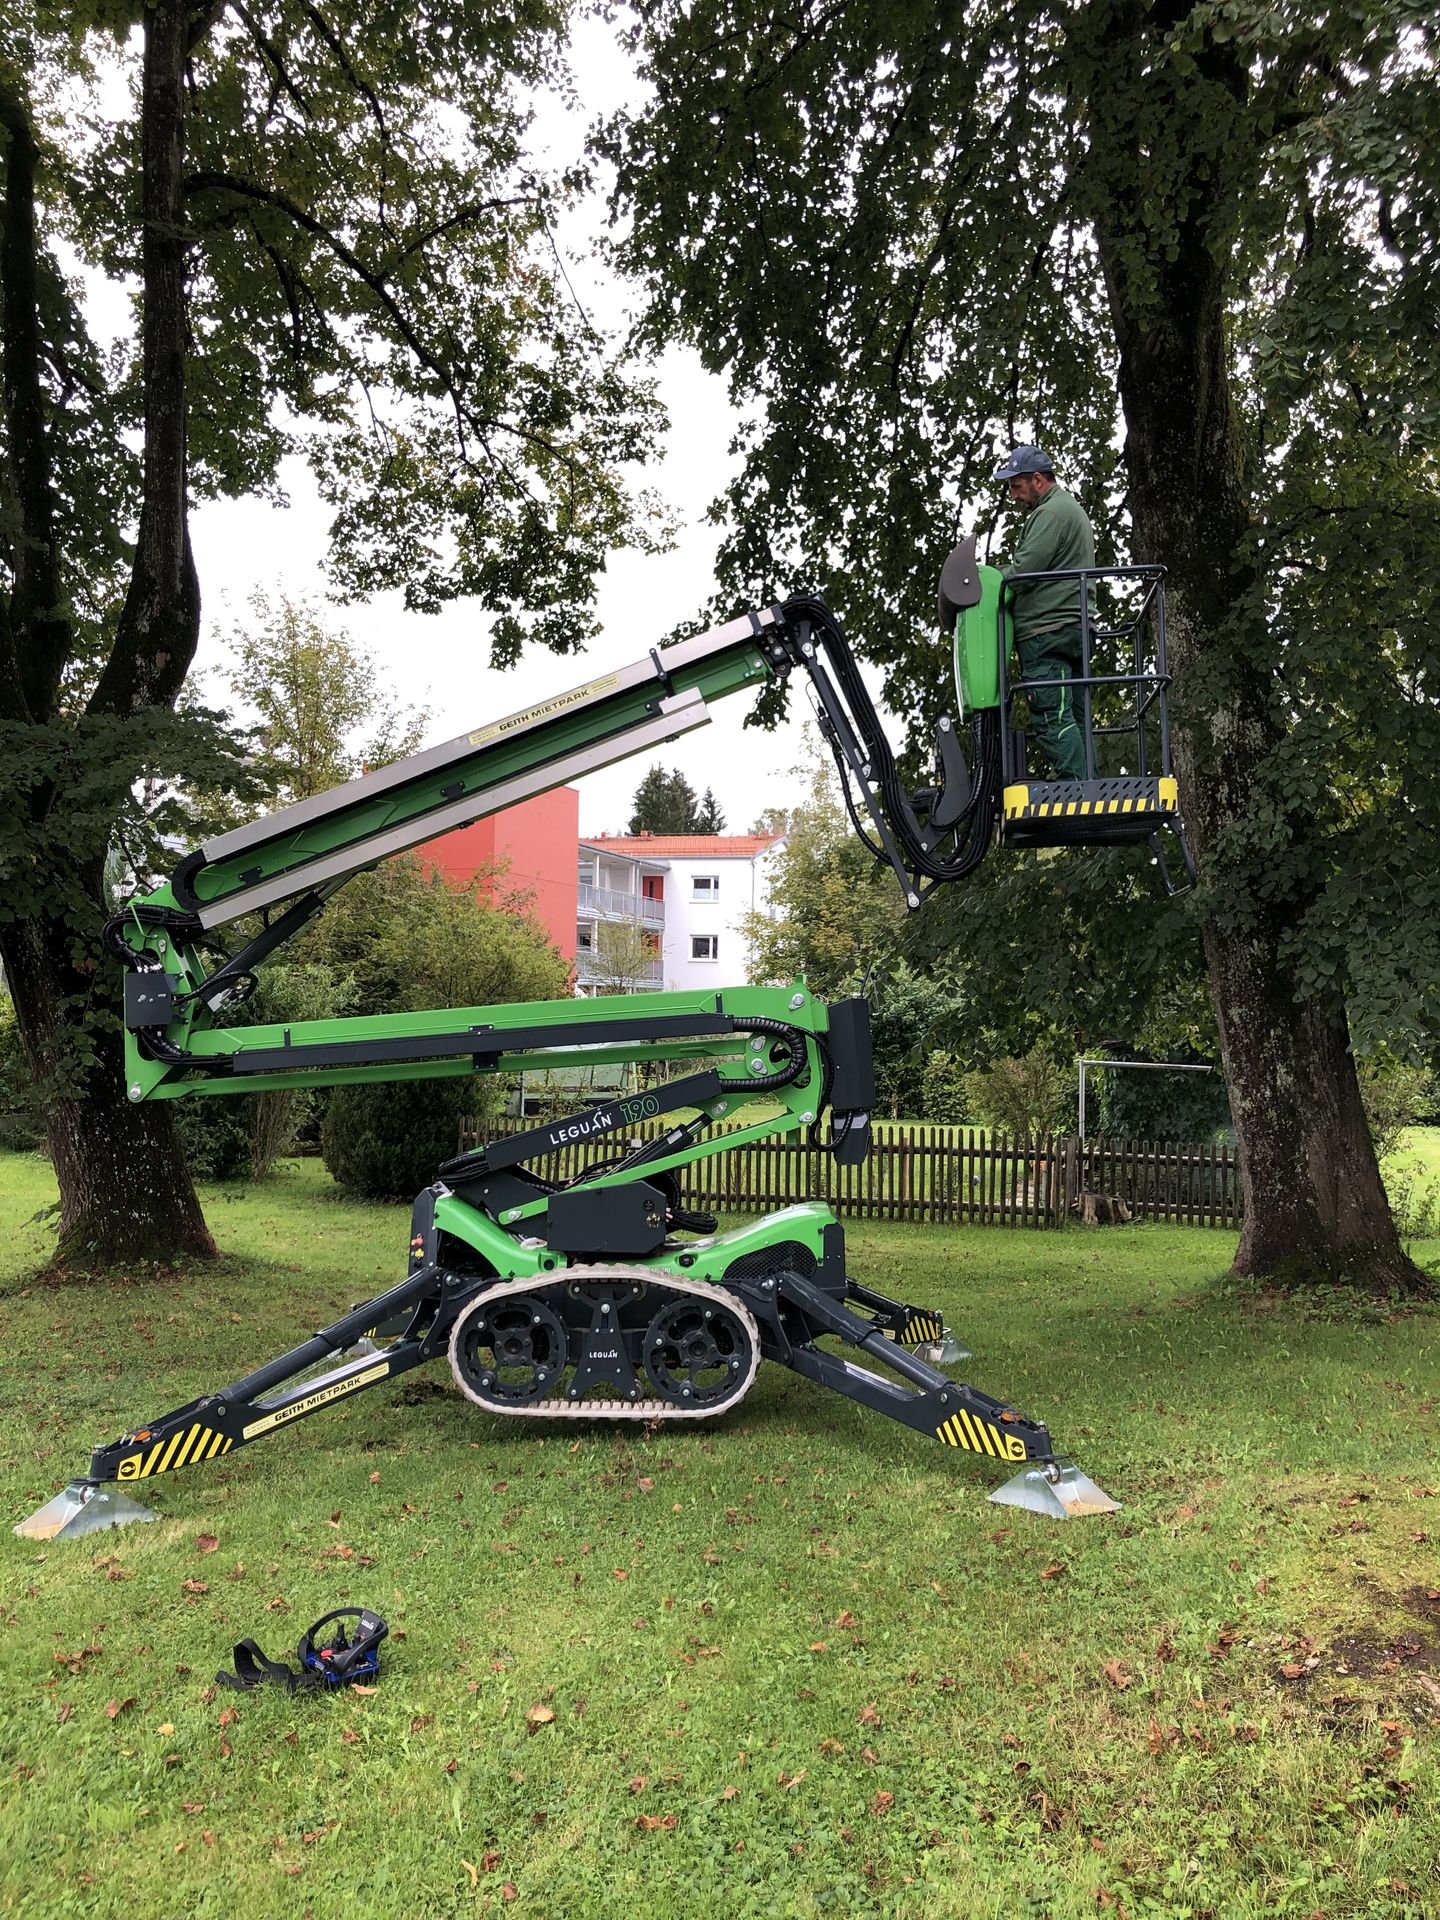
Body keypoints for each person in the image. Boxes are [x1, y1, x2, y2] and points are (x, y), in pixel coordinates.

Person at [995, 445, 1094, 783]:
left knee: (1052, 713)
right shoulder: (1071, 509)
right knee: (1075, 717)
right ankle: (1084, 782)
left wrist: (988, 580)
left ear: (1037, 480)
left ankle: (1074, 788)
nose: (1013, 496)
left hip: (1047, 630)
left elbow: (1024, 571)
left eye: (1016, 486)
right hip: (1075, 625)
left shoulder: (1049, 514)